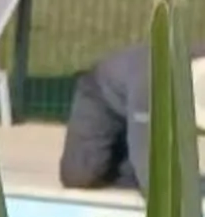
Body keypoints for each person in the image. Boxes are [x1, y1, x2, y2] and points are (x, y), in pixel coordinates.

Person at [61, 42, 204, 190]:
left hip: (146, 96)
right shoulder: (152, 81)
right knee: (79, 176)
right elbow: (152, 175)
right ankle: (125, 157)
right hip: (103, 98)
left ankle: (130, 160)